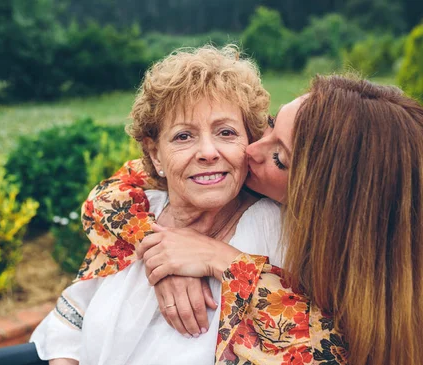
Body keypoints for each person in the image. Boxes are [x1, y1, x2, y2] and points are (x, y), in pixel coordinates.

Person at [80, 75, 423, 365]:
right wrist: (156, 248)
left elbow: (324, 348)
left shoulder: (302, 245)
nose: (251, 151)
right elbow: (114, 192)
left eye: (278, 156)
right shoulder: (191, 191)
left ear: (327, 200)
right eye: (270, 126)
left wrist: (224, 261)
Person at [30, 45, 281, 364]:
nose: (207, 152)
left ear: (249, 142)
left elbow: (305, 335)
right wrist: (158, 259)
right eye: (183, 136)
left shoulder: (274, 229)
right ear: (154, 154)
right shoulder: (133, 216)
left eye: (226, 132)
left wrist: (226, 265)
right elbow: (71, 319)